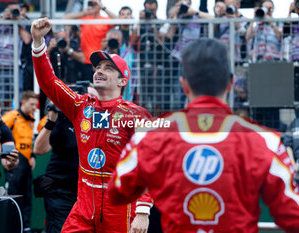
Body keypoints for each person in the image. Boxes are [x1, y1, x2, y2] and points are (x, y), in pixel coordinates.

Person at [108, 38, 299, 233]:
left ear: (183, 84)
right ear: (231, 83)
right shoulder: (266, 141)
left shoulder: (150, 135)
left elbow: (116, 192)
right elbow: (293, 216)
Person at [31, 17, 153, 233]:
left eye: (107, 68)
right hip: (84, 205)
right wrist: (38, 42)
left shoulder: (136, 114)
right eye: (97, 66)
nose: (98, 70)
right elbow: (49, 82)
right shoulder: (80, 106)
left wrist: (143, 211)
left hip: (121, 207)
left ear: (122, 81)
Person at [33, 104, 79, 233]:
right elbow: (39, 149)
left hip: (83, 192)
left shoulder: (94, 120)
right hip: (60, 191)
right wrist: (51, 121)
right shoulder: (60, 119)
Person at [1, 90, 38, 233]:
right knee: (14, 195)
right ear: (24, 102)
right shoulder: (12, 117)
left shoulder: (30, 119)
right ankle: (13, 226)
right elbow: (0, 133)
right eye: (32, 104)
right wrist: (5, 156)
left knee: (27, 195)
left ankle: (26, 226)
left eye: (36, 104)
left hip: (27, 161)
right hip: (15, 161)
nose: (35, 107)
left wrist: (33, 156)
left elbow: (29, 140)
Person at [63, 0, 117, 82]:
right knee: (86, 90)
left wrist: (102, 7)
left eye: (95, 3)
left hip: (99, 60)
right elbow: (65, 18)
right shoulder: (85, 18)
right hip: (85, 61)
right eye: (90, 3)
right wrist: (84, 13)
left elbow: (117, 20)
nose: (93, 5)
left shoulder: (104, 20)